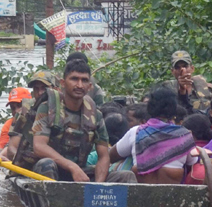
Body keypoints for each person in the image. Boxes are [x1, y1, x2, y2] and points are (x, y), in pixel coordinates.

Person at [30, 54, 135, 182]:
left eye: (84, 80)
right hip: (53, 170)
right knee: (46, 164)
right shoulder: (47, 108)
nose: (79, 85)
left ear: (90, 86)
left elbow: (103, 156)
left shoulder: (95, 115)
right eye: (74, 79)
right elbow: (39, 146)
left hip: (81, 173)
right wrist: (72, 166)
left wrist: (98, 186)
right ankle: (53, 201)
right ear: (63, 83)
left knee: (126, 176)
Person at [109, 88, 197, 184]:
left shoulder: (136, 132)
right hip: (171, 197)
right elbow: (192, 162)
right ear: (174, 109)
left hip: (138, 197)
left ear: (150, 107)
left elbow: (110, 156)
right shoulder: (184, 136)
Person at [7, 68, 57, 166]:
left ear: (54, 89)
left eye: (44, 88)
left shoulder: (63, 110)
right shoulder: (24, 113)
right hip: (31, 165)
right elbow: (11, 148)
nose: (40, 93)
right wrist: (23, 159)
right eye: (36, 89)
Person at [0, 87, 33, 158]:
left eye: (19, 105)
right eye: (13, 108)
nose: (16, 111)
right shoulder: (9, 124)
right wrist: (3, 155)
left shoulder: (40, 119)